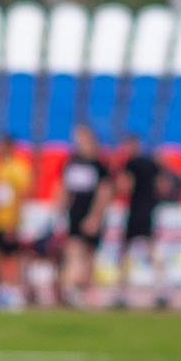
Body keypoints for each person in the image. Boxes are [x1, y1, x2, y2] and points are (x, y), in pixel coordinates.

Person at [57, 124, 110, 306]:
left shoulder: (99, 165)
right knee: (73, 250)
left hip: (90, 214)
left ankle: (84, 290)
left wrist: (95, 216)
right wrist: (59, 209)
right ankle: (71, 291)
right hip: (75, 213)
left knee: (88, 254)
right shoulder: (72, 162)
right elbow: (64, 188)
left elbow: (104, 192)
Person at [117, 135, 169, 309]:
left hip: (135, 210)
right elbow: (162, 186)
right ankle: (162, 290)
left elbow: (125, 187)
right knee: (151, 251)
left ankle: (122, 293)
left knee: (126, 252)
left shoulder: (130, 164)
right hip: (149, 210)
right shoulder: (152, 163)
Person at [0, 136, 33, 305]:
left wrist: (14, 221)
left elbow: (21, 195)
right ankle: (2, 287)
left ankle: (13, 289)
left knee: (12, 254)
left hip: (11, 220)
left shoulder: (18, 167)